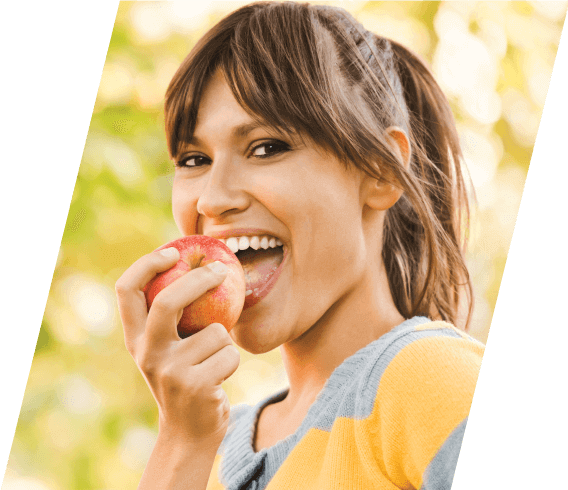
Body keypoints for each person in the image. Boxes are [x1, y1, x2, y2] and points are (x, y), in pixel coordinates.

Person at [115, 2, 485, 489]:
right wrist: (182, 439)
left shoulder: (432, 381)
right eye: (194, 157)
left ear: (381, 170)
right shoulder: (219, 447)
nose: (214, 197)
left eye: (267, 147)